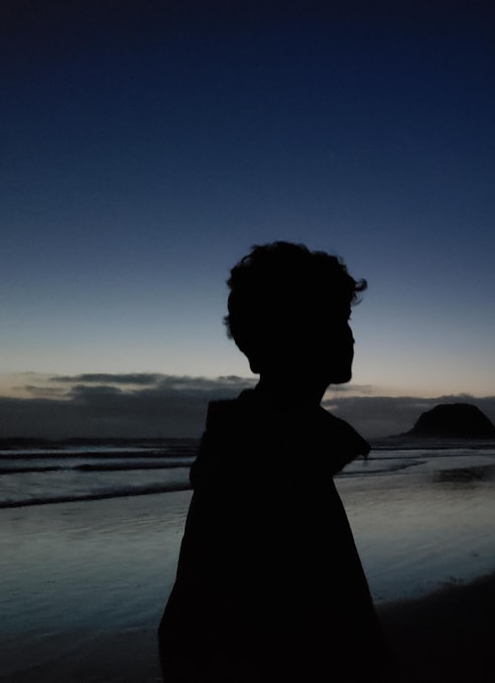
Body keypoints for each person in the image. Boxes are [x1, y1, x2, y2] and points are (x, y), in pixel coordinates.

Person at [158, 241, 389, 681]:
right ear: (292, 332)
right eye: (336, 319)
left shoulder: (279, 443)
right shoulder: (268, 460)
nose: (350, 335)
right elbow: (195, 628)